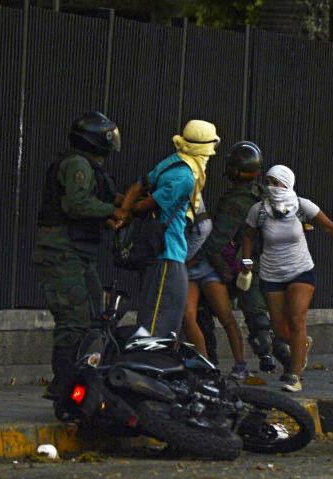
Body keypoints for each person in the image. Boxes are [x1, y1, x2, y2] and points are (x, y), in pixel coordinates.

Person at [241, 164, 333, 392]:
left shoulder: (302, 206)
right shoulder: (259, 211)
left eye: (277, 183)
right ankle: (301, 343)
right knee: (279, 328)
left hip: (301, 270)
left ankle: (294, 376)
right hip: (272, 274)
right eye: (269, 182)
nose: (272, 187)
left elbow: (331, 229)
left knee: (296, 319)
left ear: (288, 184)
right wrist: (246, 260)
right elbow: (248, 236)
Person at [34, 111, 125, 399]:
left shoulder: (89, 167)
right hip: (63, 252)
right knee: (73, 321)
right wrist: (112, 211)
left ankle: (81, 382)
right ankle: (63, 385)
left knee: (95, 316)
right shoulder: (77, 164)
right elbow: (77, 204)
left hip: (78, 252)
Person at [116, 120, 219, 337]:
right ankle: (149, 360)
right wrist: (131, 211)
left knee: (154, 309)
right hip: (169, 251)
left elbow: (139, 185)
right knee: (163, 314)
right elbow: (146, 205)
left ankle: (148, 359)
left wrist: (124, 211)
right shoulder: (185, 177)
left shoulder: (172, 162)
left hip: (161, 251)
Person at [199, 141, 290, 378]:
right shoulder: (264, 194)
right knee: (261, 317)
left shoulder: (235, 202)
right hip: (268, 262)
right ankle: (285, 364)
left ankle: (210, 364)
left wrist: (220, 269)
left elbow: (216, 242)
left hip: (240, 266)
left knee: (204, 309)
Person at [181, 193, 249, 376]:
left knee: (225, 316)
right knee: (188, 316)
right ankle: (204, 364)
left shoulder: (194, 203)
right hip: (187, 269)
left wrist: (192, 260)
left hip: (206, 267)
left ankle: (241, 365)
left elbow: (204, 232)